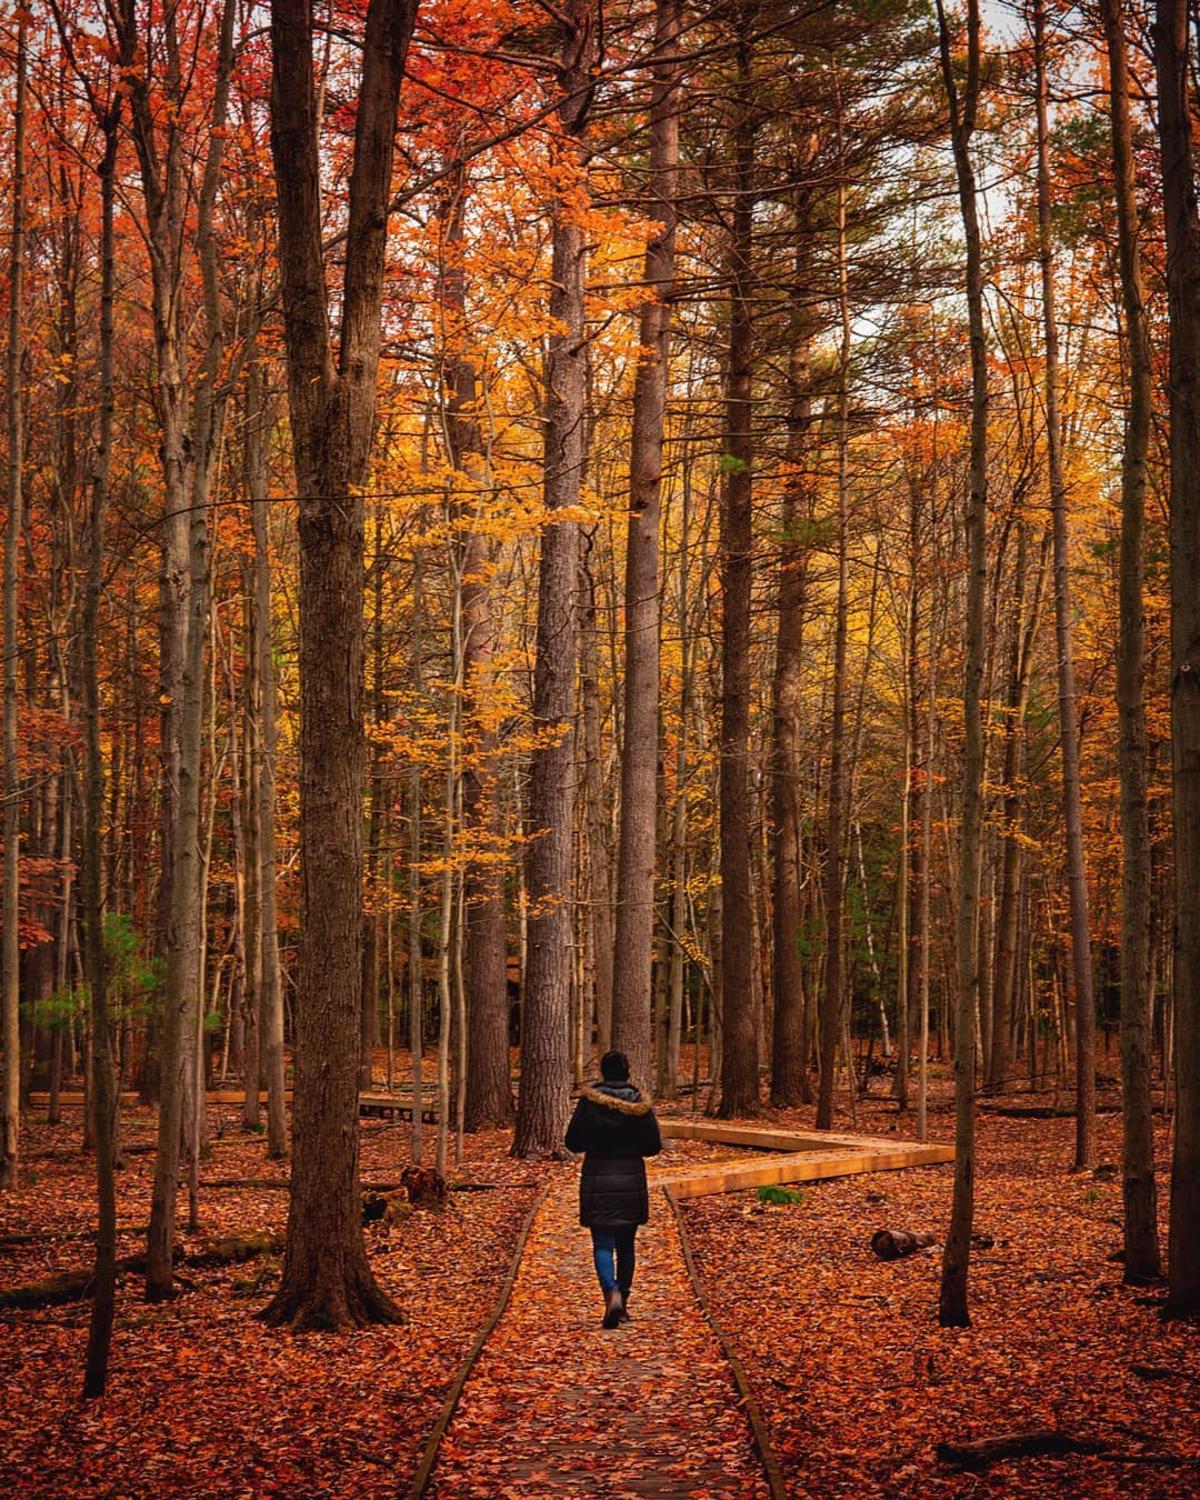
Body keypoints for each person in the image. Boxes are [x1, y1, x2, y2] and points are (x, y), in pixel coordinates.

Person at [564, 1049, 662, 1329]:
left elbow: (573, 1142)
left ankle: (611, 1293)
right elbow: (653, 1145)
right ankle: (624, 1303)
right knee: (626, 1245)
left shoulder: (589, 1103)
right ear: (627, 1071)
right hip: (630, 1179)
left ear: (604, 1072)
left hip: (598, 1178)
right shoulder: (639, 1104)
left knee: (603, 1243)